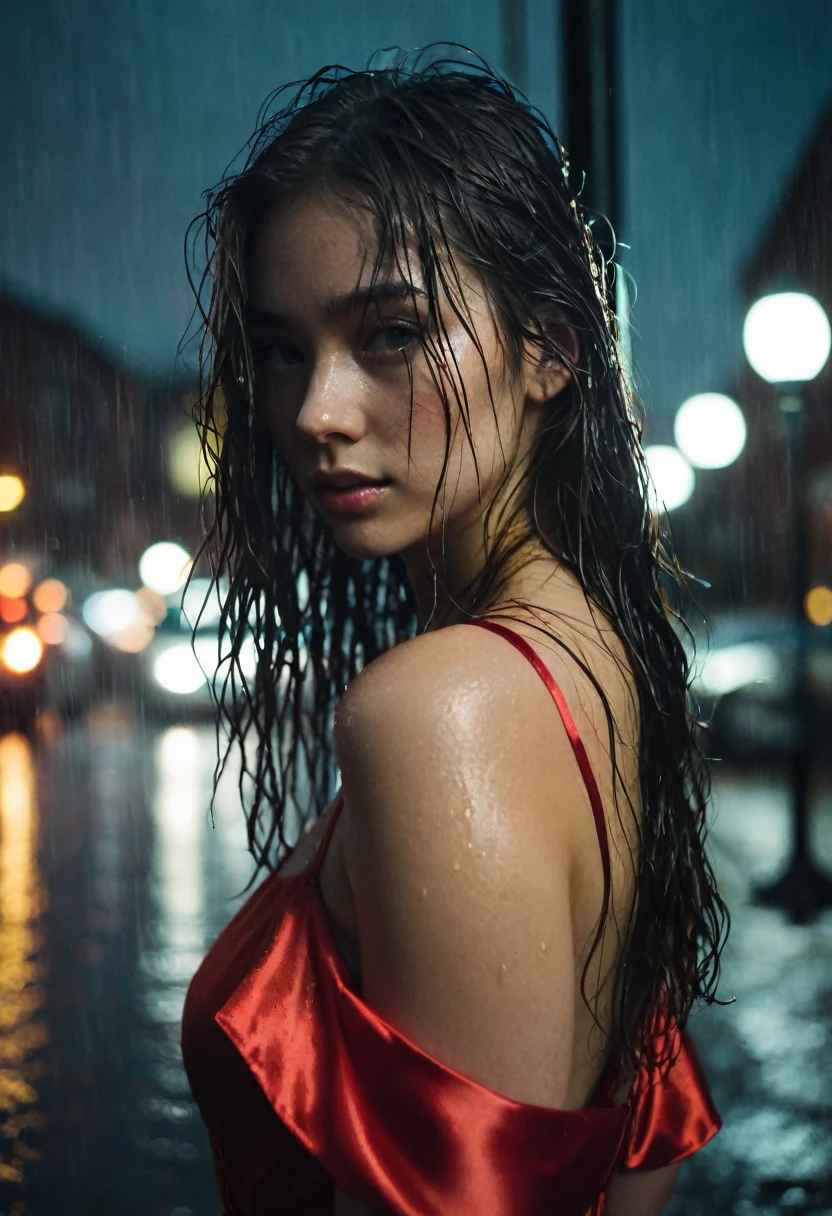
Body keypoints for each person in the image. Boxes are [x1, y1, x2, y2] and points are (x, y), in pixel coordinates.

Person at [181, 46, 730, 1216]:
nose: (316, 412)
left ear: (550, 349)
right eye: (283, 351)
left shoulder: (444, 709)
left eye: (390, 334)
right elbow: (647, 1159)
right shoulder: (606, 663)